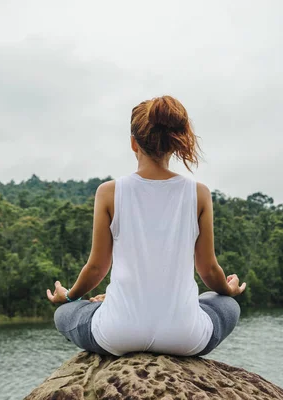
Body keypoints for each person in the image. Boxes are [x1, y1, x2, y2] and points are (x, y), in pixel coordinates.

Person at [47, 95, 246, 357]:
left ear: (133, 143)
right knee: (224, 303)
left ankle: (109, 302)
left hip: (118, 334)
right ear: (175, 144)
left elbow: (97, 267)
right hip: (185, 338)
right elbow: (208, 269)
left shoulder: (109, 192)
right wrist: (228, 290)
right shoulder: (199, 193)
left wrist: (69, 296)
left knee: (65, 313)